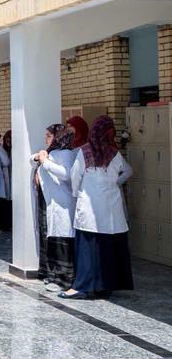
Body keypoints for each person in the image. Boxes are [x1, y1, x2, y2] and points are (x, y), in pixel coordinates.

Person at [60, 116, 134, 300]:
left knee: (88, 249)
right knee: (108, 249)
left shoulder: (85, 151)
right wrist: (115, 184)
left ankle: (82, 287)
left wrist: (77, 194)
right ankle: (105, 287)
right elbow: (128, 170)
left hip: (89, 209)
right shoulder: (114, 153)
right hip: (111, 210)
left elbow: (75, 176)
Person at [33, 123, 77, 292]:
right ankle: (54, 276)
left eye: (49, 135)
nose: (46, 138)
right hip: (53, 203)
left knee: (63, 242)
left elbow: (66, 174)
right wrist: (39, 158)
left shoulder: (66, 154)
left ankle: (64, 280)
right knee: (54, 242)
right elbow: (33, 159)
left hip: (63, 204)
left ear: (59, 137)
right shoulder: (52, 153)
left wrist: (45, 162)